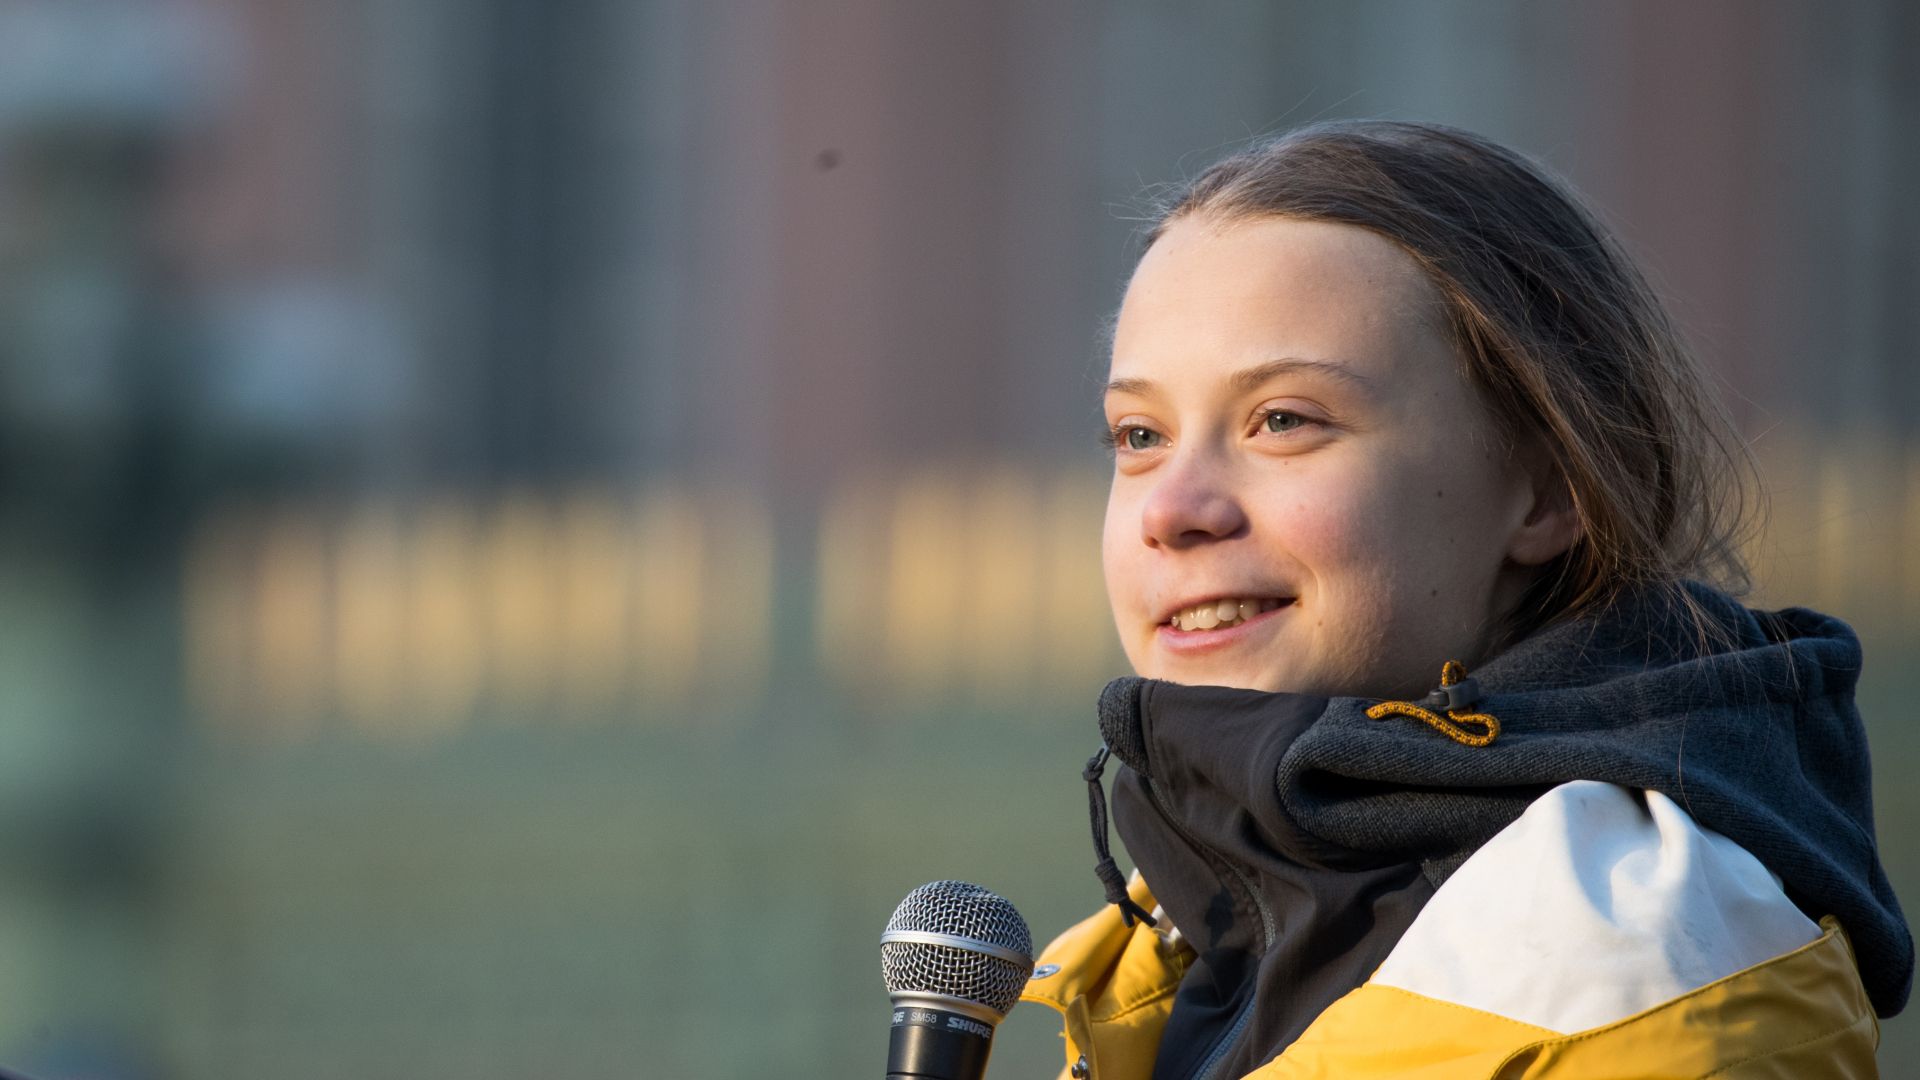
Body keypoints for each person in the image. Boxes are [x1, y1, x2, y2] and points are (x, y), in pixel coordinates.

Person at [1019, 120, 1910, 1078]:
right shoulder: (1173, 938)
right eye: (1139, 434)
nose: (1175, 511)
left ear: (1547, 487)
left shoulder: (1640, 976)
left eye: (1284, 420)